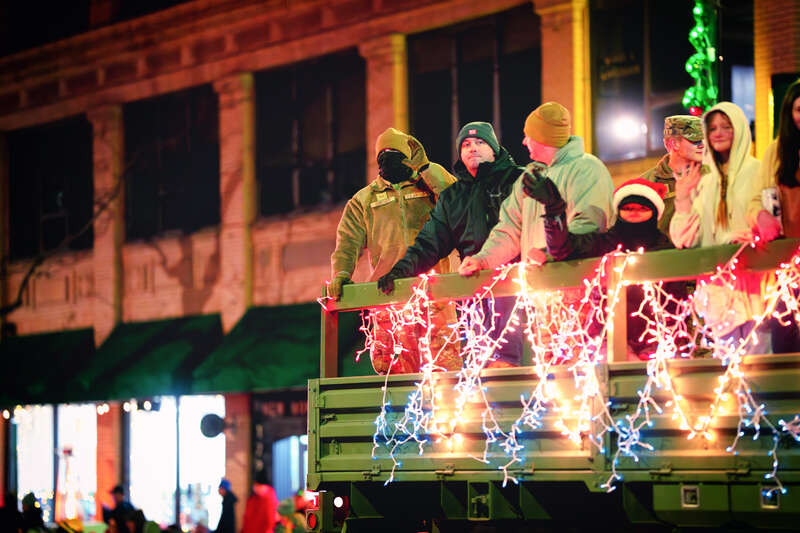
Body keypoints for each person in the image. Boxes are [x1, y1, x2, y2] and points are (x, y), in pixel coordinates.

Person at [376, 121, 525, 366]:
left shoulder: (518, 179)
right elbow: (430, 243)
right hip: (472, 291)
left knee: (508, 362)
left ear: (494, 149)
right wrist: (400, 271)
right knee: (478, 364)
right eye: (466, 144)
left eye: (480, 142)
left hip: (519, 287)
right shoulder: (454, 197)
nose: (472, 148)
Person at [329, 127, 461, 374]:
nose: (388, 159)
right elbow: (347, 241)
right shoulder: (365, 200)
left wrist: (425, 168)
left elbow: (457, 200)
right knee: (394, 372)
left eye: (395, 153)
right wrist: (341, 273)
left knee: (445, 368)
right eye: (383, 155)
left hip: (434, 294)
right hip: (388, 296)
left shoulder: (429, 185)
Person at [526, 174, 687, 357]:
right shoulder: (605, 243)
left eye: (642, 208)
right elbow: (563, 248)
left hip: (655, 340)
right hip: (605, 338)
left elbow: (677, 302)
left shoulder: (665, 250)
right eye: (628, 208)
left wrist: (672, 339)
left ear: (654, 212)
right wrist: (554, 210)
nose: (634, 212)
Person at [460, 101, 614, 275]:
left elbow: (588, 230)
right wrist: (482, 260)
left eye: (529, 136)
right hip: (537, 289)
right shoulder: (531, 175)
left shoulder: (587, 170)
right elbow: (510, 229)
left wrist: (549, 255)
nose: (524, 142)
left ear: (543, 139)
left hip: (575, 287)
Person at [670, 101, 780, 344]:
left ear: (739, 129)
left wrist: (748, 237)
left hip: (756, 291)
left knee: (762, 368)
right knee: (729, 376)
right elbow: (684, 239)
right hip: (718, 298)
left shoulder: (758, 171)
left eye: (726, 127)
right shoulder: (705, 181)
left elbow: (771, 219)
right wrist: (683, 197)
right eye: (713, 128)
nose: (718, 133)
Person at [755, 78, 800, 351]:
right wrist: (762, 217)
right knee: (786, 339)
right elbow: (761, 196)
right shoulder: (776, 151)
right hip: (786, 264)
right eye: (798, 109)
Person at [638, 115, 705, 233]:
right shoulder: (645, 184)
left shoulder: (712, 176)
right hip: (662, 250)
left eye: (705, 140)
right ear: (674, 143)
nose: (702, 145)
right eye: (696, 141)